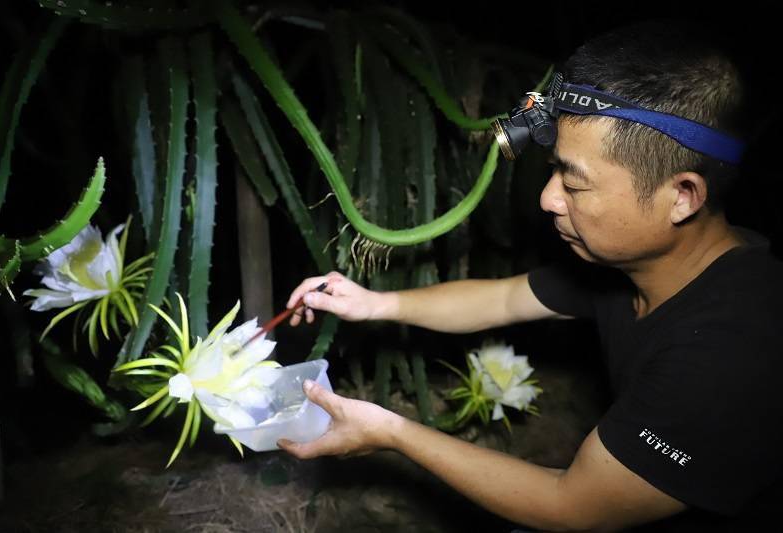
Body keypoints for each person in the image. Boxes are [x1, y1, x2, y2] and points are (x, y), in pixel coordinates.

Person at [277, 20, 783, 531]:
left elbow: (574, 506)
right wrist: (373, 303)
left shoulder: (730, 353)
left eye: (575, 183)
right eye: (553, 169)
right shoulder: (635, 265)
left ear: (683, 196)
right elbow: (503, 300)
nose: (548, 198)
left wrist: (391, 432)